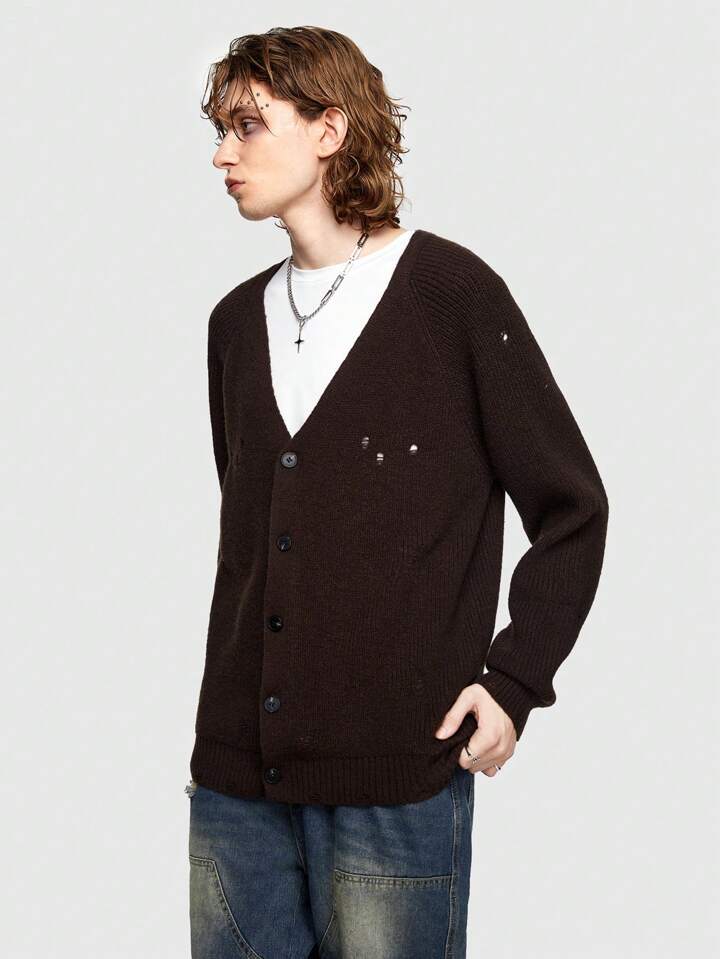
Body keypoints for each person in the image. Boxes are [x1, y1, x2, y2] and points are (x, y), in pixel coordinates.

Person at [186, 26, 609, 959]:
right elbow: (257, 538)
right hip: (234, 788)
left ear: (330, 129)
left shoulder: (452, 297)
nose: (222, 154)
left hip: (396, 778)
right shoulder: (232, 325)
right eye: (218, 130)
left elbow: (573, 508)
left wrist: (513, 682)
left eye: (248, 125)